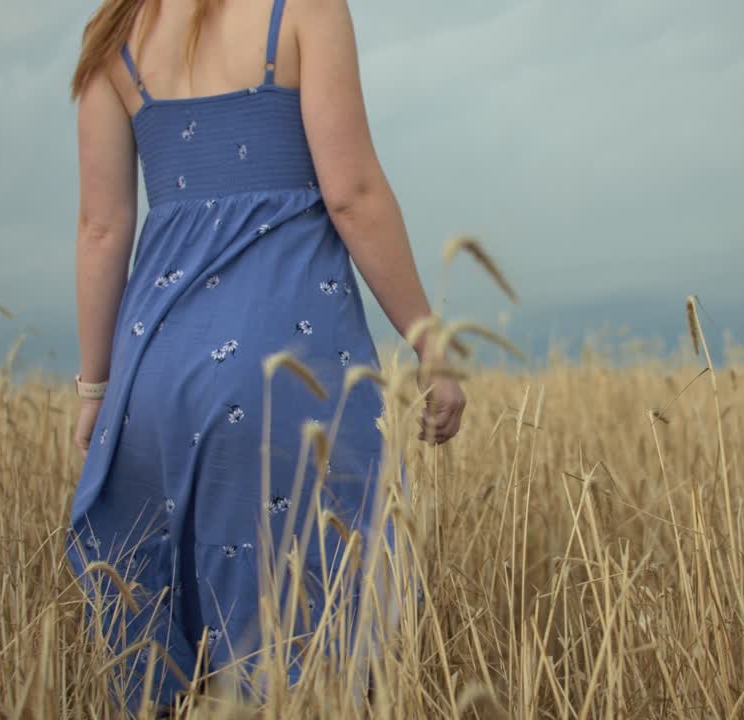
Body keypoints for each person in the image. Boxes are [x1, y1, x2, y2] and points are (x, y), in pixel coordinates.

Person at [64, 0, 465, 713]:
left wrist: (97, 389)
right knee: (319, 624)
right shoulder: (303, 8)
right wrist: (429, 342)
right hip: (290, 361)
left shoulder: (112, 36)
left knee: (175, 651)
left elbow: (101, 228)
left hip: (155, 371)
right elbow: (354, 194)